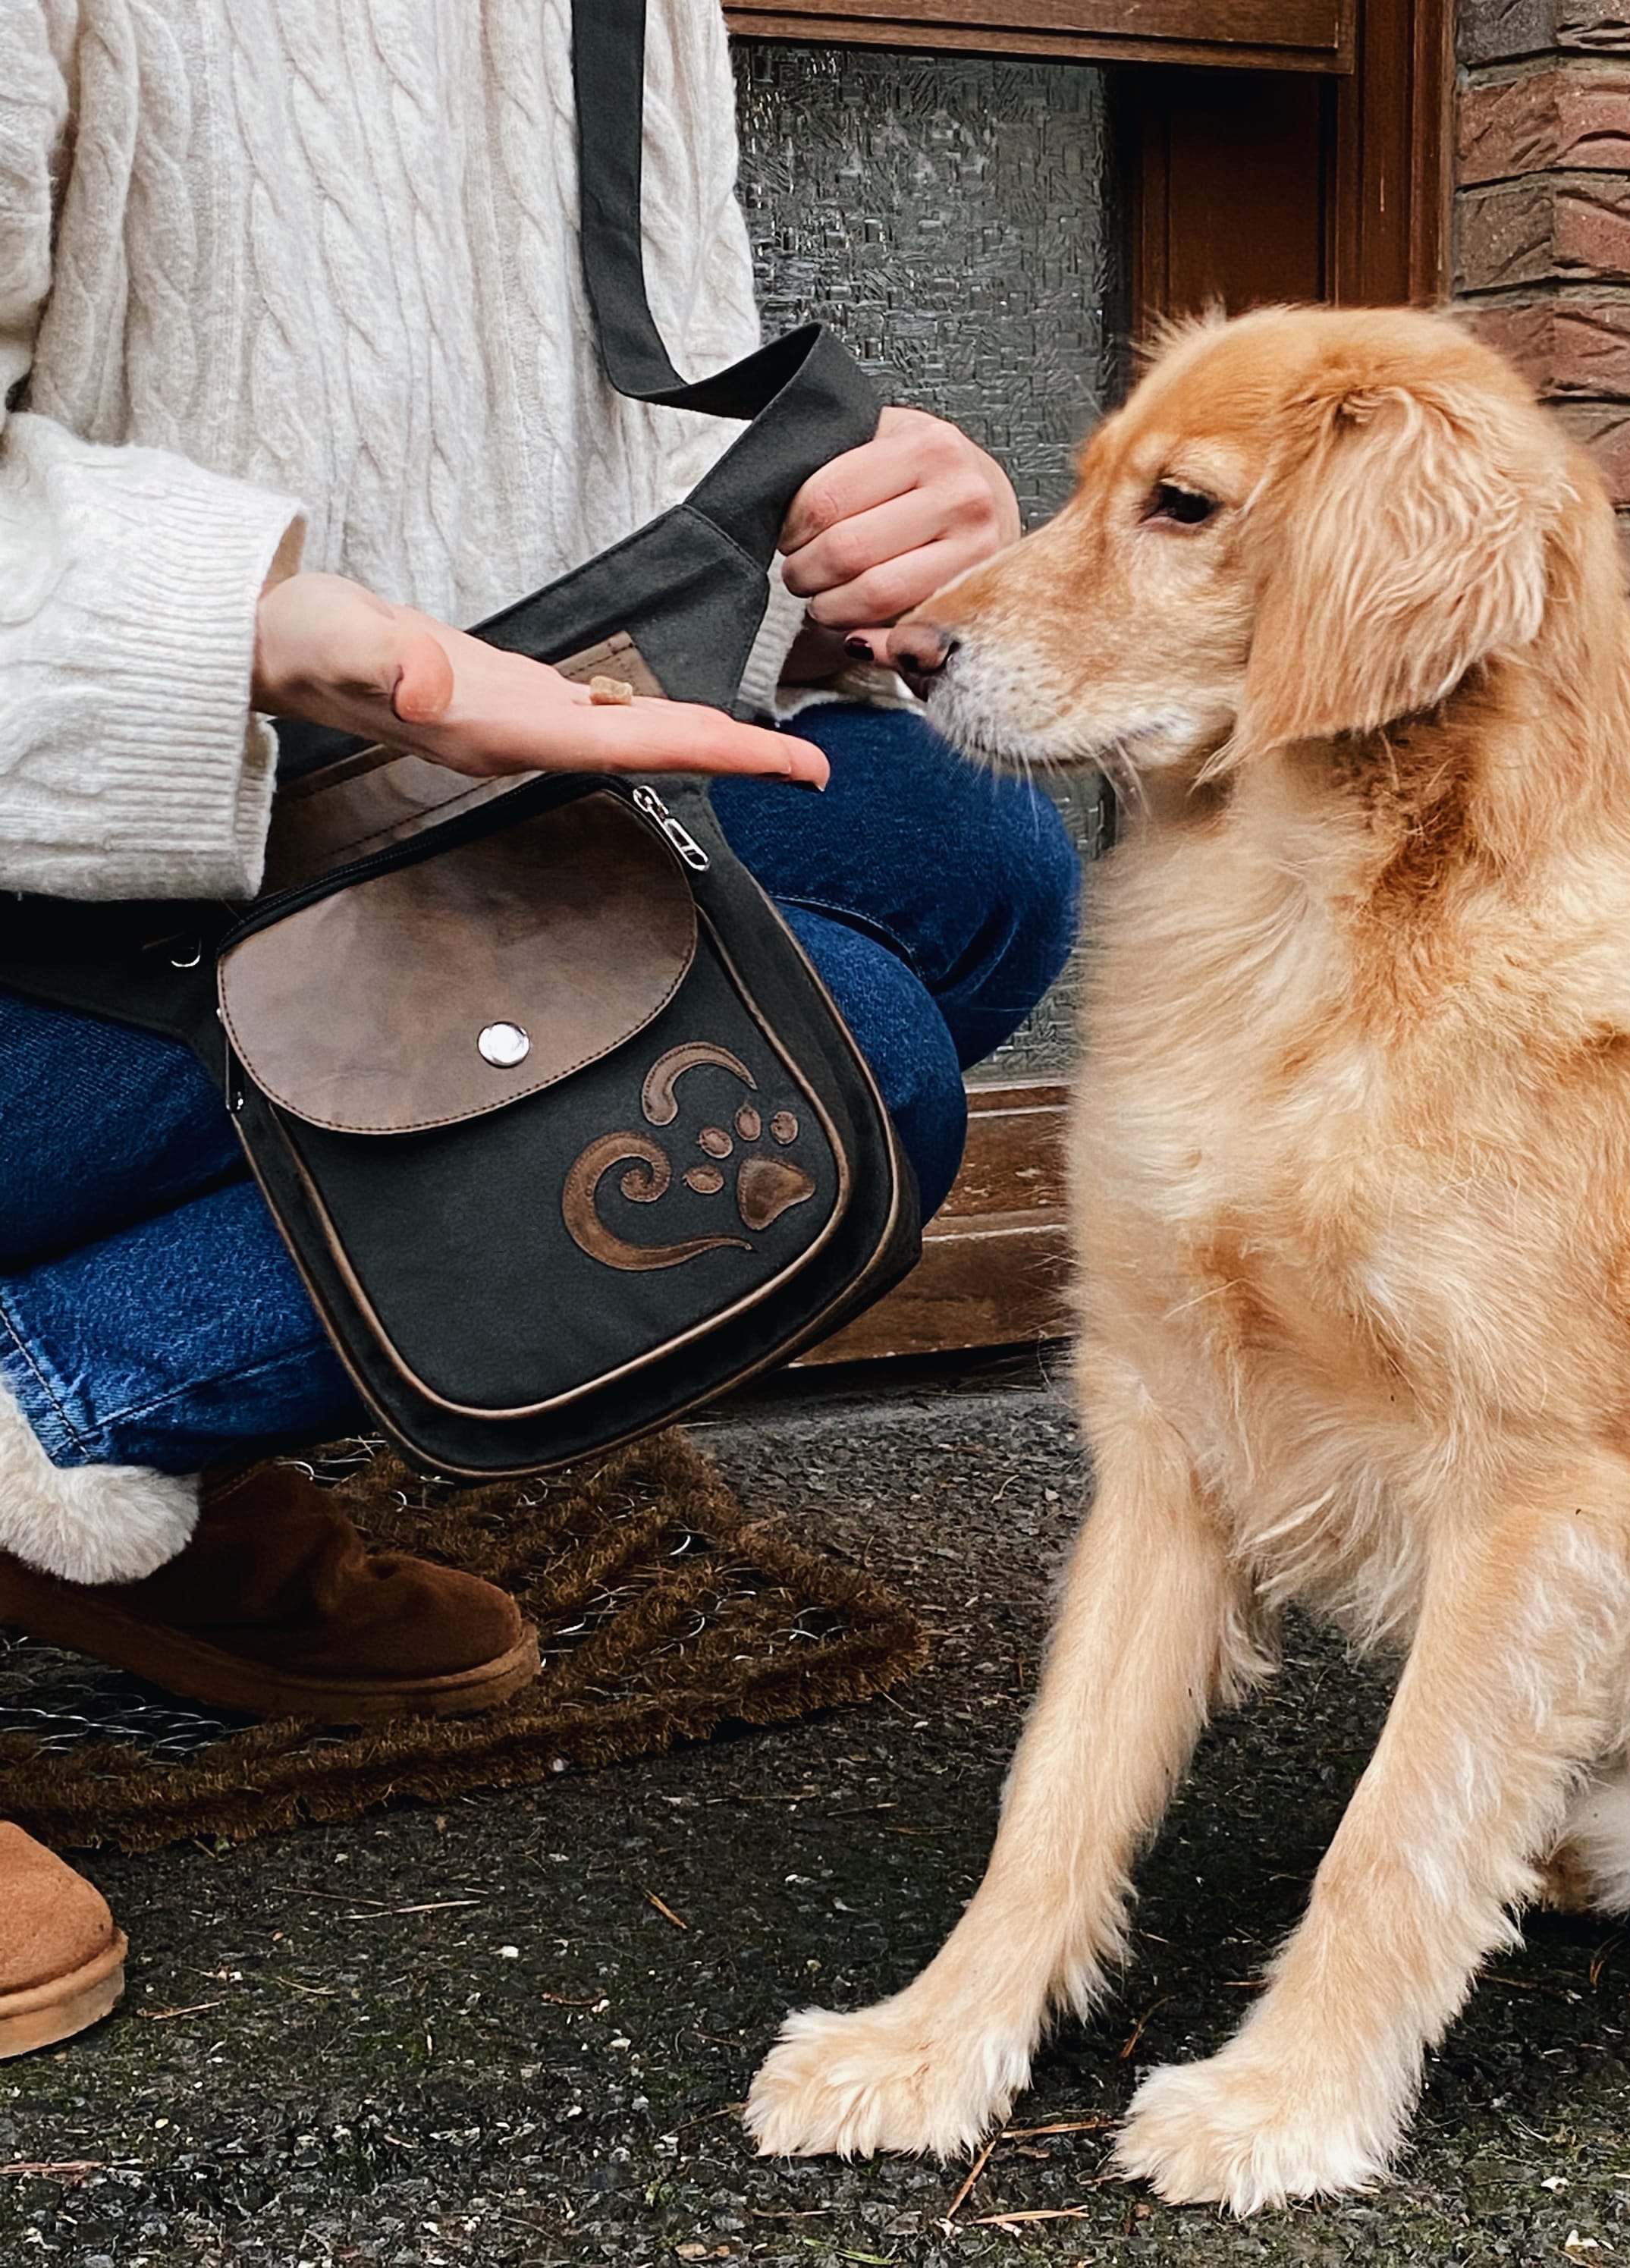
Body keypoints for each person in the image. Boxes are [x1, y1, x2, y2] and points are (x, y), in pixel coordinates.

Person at [0, 0, 1079, 2051]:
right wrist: (259, 628)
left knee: (954, 864)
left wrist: (840, 533)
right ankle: (54, 1391)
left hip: (283, 816)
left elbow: (561, 465)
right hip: (67, 856)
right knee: (821, 1058)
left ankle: (115, 1458)